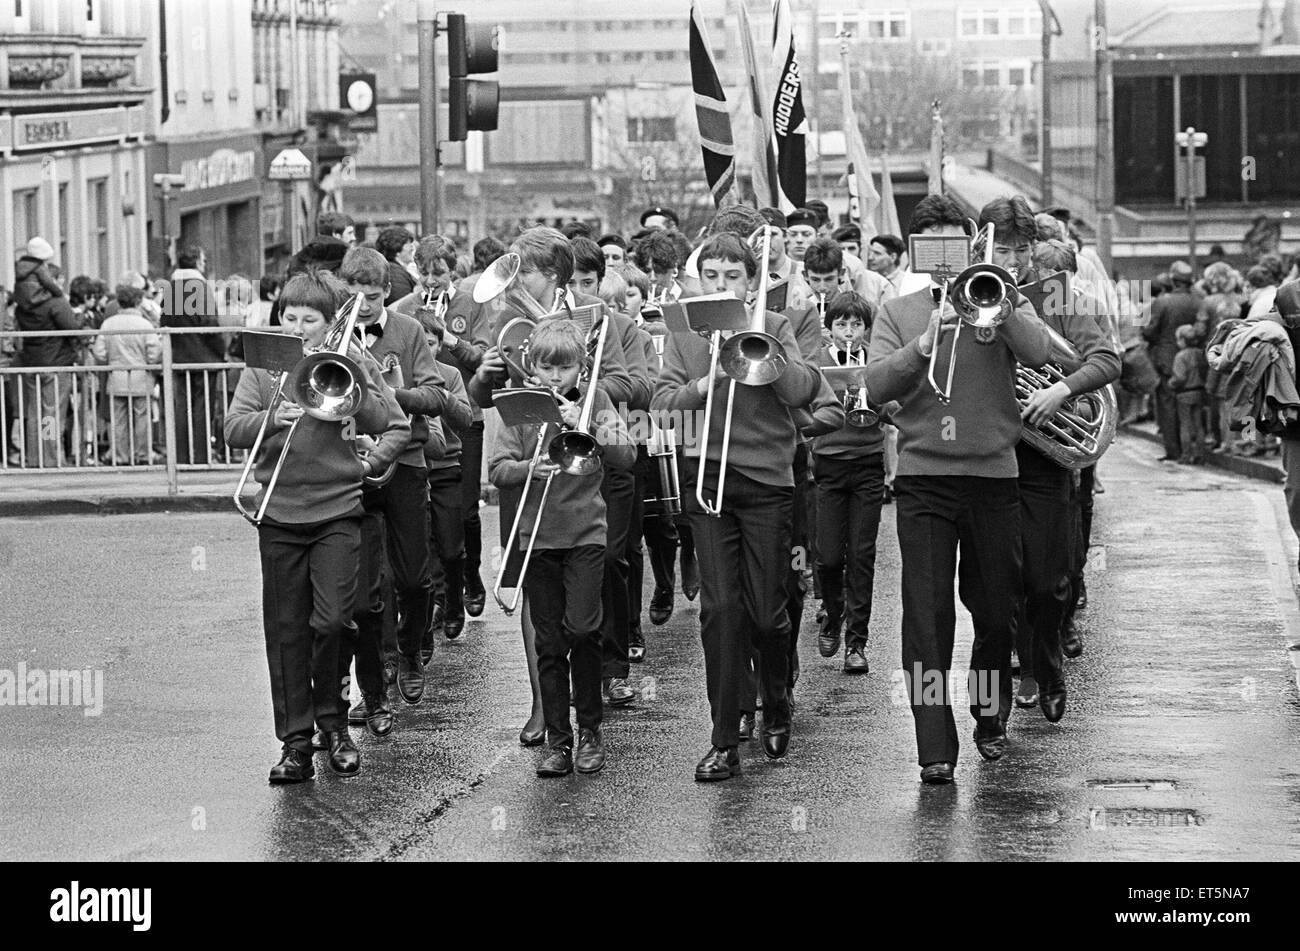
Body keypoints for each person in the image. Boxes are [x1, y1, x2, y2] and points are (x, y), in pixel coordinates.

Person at [866, 199, 1051, 785]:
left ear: (973, 246)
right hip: (924, 479)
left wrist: (1002, 302)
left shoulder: (1001, 298)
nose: (948, 261)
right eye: (933, 248)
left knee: (996, 613)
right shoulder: (898, 310)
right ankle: (933, 744)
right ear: (918, 253)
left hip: (994, 476)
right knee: (926, 616)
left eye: (957, 247)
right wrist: (923, 344)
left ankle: (989, 710)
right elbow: (873, 386)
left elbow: (1041, 353)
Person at [224, 269, 408, 783]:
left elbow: (393, 425)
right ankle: (296, 744)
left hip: (338, 511)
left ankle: (335, 725)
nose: (298, 327)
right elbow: (232, 428)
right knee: (286, 633)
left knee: (333, 622)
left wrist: (370, 459)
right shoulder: (264, 370)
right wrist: (271, 420)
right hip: (279, 512)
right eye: (290, 317)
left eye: (309, 319)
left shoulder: (349, 363)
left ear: (329, 323)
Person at [651, 232, 821, 781]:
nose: (722, 285)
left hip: (767, 483)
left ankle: (776, 700)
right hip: (707, 484)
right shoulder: (684, 333)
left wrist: (761, 349)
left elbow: (804, 393)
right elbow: (659, 405)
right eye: (713, 277)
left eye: (733, 277)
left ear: (751, 283)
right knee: (720, 611)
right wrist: (705, 382)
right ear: (701, 281)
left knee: (769, 614)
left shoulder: (774, 326)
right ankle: (723, 739)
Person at [984, 203, 1119, 720]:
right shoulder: (968, 290)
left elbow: (1106, 359)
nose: (1013, 260)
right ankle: (1023, 672)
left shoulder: (1056, 293)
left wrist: (1061, 389)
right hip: (990, 455)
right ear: (983, 245)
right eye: (1003, 249)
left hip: (1045, 458)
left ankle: (1048, 661)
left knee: (1049, 580)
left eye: (1021, 249)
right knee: (1003, 581)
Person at [489, 320, 636, 776]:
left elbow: (627, 454)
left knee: (584, 629)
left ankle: (590, 730)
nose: (556, 377)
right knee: (549, 641)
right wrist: (526, 469)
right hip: (538, 535)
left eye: (565, 368)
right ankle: (559, 739)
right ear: (532, 367)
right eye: (547, 367)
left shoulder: (597, 400)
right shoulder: (522, 406)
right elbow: (497, 469)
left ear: (582, 368)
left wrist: (585, 421)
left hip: (586, 533)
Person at [340, 246, 452, 707]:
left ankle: (409, 652)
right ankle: (380, 668)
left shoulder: (407, 330)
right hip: (355, 462)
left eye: (371, 295)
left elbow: (437, 396)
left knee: (411, 575)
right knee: (369, 586)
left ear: (387, 291)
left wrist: (391, 393)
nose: (362, 304)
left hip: (405, 460)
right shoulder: (335, 338)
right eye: (353, 294)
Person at [393, 235, 494, 623]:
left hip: (464, 412)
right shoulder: (405, 307)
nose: (432, 280)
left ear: (453, 270)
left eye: (440, 272)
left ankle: (469, 575)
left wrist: (449, 339)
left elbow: (484, 357)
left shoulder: (472, 303)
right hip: (422, 418)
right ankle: (440, 596)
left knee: (466, 510)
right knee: (428, 515)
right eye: (426, 272)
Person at [813, 291, 890, 674]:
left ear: (866, 329)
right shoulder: (819, 363)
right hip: (828, 464)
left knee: (862, 555)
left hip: (867, 464)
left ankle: (857, 642)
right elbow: (806, 408)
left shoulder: (875, 362)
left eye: (856, 324)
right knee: (827, 556)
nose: (849, 331)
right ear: (829, 330)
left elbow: (894, 408)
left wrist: (876, 398)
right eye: (841, 324)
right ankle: (831, 611)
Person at [416, 310, 475, 643]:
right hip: (413, 468)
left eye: (432, 342)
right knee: (422, 548)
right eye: (420, 343)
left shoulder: (450, 373)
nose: (427, 348)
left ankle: (454, 604)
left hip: (446, 467)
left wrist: (443, 395)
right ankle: (432, 608)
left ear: (439, 344)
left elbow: (465, 419)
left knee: (451, 547)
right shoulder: (403, 372)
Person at [11, 239, 83, 467]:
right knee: (51, 414)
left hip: (32, 361)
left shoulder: (22, 303)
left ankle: (35, 457)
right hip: (55, 361)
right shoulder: (55, 302)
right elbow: (72, 329)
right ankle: (50, 458)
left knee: (34, 413)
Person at [92, 284, 161, 465]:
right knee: (142, 418)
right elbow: (154, 354)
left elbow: (99, 352)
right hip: (141, 376)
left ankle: (120, 456)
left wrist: (110, 361)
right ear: (138, 302)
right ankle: (143, 454)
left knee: (118, 420)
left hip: (116, 377)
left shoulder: (108, 324)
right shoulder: (145, 325)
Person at [1143, 260, 1199, 461]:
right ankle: (1193, 450)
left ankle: (1173, 450)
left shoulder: (1162, 302)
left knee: (1167, 406)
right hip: (1194, 362)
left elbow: (1150, 331)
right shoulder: (1199, 300)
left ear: (1174, 281)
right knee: (1193, 410)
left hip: (1166, 360)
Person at [1170, 323, 1208, 464]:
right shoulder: (1200, 353)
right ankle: (1200, 455)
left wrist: (1171, 383)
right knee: (1198, 425)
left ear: (1183, 340)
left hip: (1184, 393)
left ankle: (1186, 455)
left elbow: (1180, 377)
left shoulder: (1180, 356)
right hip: (1198, 391)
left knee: (1185, 424)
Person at [376, 226, 417, 305]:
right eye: (408, 244)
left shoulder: (393, 269)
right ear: (396, 248)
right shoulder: (394, 274)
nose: (412, 247)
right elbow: (403, 305)